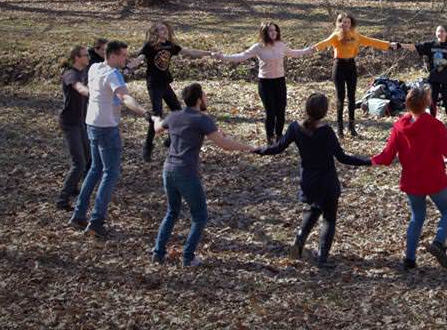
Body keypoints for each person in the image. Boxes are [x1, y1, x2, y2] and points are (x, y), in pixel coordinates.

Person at [371, 86, 447, 270]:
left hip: (412, 181)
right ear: (427, 103)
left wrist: (369, 161)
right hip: (434, 179)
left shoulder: (399, 126)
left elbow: (387, 155)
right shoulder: (434, 126)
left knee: (417, 217)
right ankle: (438, 243)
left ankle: (409, 259)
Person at [255, 93, 372, 269]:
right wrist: (368, 161)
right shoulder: (326, 132)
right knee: (329, 218)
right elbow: (342, 158)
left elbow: (278, 148)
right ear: (324, 112)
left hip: (308, 181)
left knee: (315, 207)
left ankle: (299, 239)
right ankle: (322, 257)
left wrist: (259, 150)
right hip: (327, 182)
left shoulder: (295, 128)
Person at [151, 83, 258, 267]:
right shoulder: (202, 119)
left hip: (168, 170)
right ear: (199, 99)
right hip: (186, 172)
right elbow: (223, 144)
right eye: (205, 95)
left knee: (172, 212)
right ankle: (188, 256)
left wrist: (154, 119)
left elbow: (158, 129)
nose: (206, 98)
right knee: (200, 216)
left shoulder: (175, 115)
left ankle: (158, 252)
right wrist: (250, 148)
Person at [70, 40, 152, 238]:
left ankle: (79, 214)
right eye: (123, 55)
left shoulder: (95, 68)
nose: (126, 58)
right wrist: (145, 113)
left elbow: (102, 93)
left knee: (96, 169)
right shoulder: (113, 74)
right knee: (110, 173)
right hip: (106, 128)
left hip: (92, 124)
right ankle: (96, 221)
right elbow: (125, 98)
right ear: (113, 55)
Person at [214, 21, 315, 143]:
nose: (274, 33)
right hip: (265, 83)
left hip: (280, 82)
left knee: (281, 111)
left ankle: (279, 136)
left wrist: (308, 50)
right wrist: (223, 57)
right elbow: (241, 56)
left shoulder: (281, 45)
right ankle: (270, 137)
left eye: (275, 30)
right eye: (270, 31)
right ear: (265, 33)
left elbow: (294, 53)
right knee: (270, 112)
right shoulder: (258, 47)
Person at [128, 21, 212, 162]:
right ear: (155, 32)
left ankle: (170, 140)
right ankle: (148, 146)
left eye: (165, 28)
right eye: (160, 29)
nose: (164, 30)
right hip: (154, 85)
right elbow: (140, 59)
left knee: (177, 111)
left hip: (165, 84)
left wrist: (208, 53)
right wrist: (130, 66)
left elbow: (189, 51)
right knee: (157, 115)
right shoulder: (149, 46)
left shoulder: (170, 45)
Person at [312, 13, 395, 138]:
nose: (345, 24)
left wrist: (389, 44)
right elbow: (325, 42)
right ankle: (340, 129)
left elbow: (372, 41)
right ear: (339, 23)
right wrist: (312, 49)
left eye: (348, 22)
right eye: (343, 22)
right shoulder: (336, 36)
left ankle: (352, 127)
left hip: (351, 66)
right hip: (339, 66)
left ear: (351, 23)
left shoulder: (356, 36)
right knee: (340, 98)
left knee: (352, 98)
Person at [56, 46, 91, 211]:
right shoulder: (71, 73)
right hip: (70, 123)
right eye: (85, 55)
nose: (88, 57)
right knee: (79, 163)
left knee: (89, 159)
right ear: (77, 58)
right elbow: (79, 88)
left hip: (81, 122)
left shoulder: (83, 71)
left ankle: (76, 188)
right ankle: (62, 200)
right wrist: (90, 92)